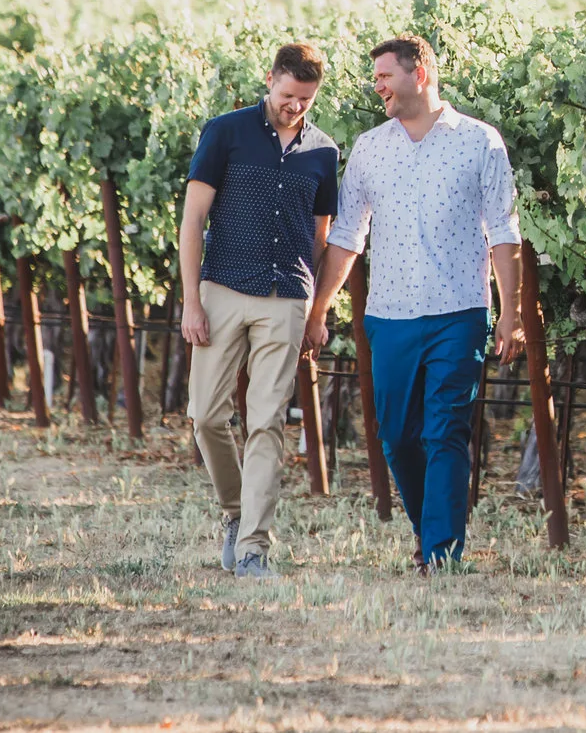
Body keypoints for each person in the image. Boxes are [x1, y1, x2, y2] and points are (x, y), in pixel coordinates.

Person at [305, 34, 525, 570]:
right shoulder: (370, 148)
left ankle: (441, 554)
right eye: (376, 77)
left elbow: (503, 230)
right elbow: (346, 238)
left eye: (385, 75)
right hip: (390, 317)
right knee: (398, 437)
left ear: (419, 72)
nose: (377, 85)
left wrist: (511, 314)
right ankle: (430, 531)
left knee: (445, 430)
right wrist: (318, 310)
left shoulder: (480, 142)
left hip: (460, 312)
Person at [180, 41, 341, 579]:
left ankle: (254, 547)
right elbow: (192, 221)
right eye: (289, 95)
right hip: (222, 290)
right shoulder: (225, 132)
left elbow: (320, 240)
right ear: (270, 79)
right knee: (206, 416)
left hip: (286, 300)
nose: (296, 106)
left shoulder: (324, 152)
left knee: (268, 422)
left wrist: (315, 309)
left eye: (307, 100)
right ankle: (234, 512)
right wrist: (191, 302)